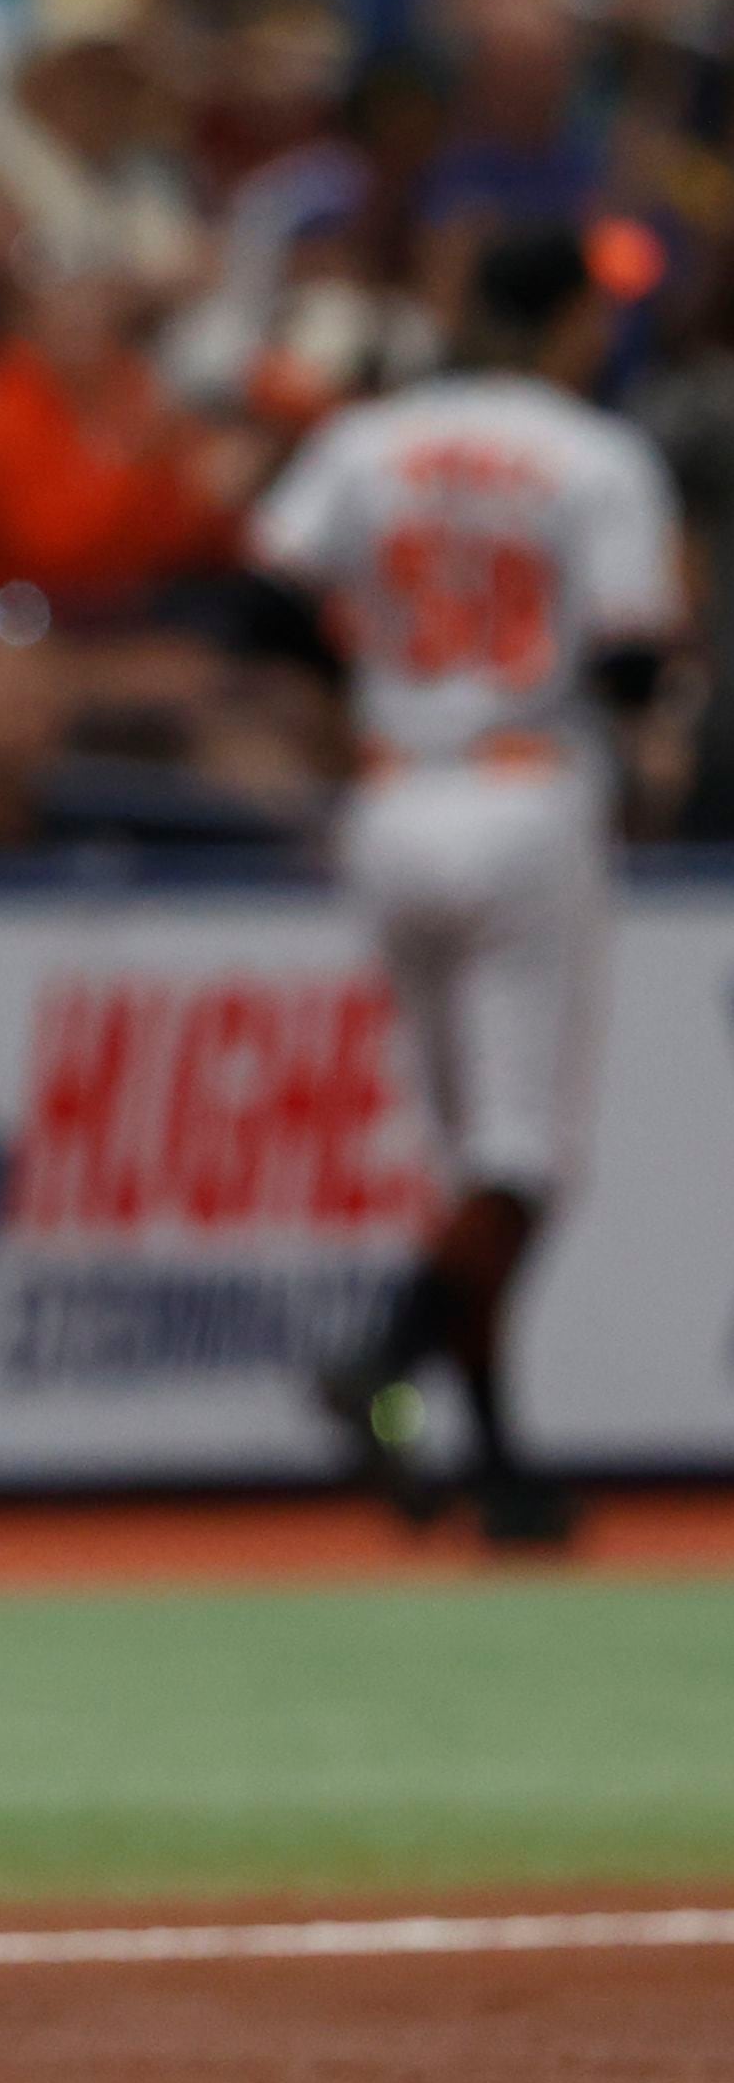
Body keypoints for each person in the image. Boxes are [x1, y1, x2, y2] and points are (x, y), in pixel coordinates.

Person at [250, 222, 681, 1551]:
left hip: (388, 793)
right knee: (519, 1161)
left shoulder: (365, 441)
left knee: (465, 1164)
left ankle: (495, 1465)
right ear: (560, 323)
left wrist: (355, 692)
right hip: (521, 787)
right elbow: (626, 669)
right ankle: (381, 1355)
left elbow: (263, 592)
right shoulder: (591, 453)